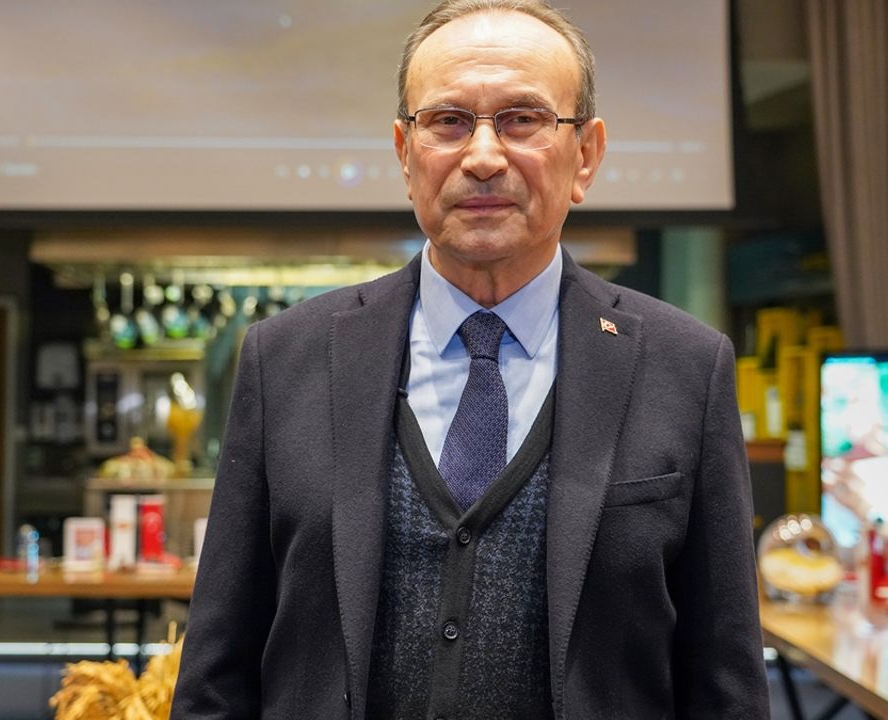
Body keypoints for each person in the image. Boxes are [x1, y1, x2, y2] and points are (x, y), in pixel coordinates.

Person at [171, 2, 769, 717]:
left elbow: (725, 684)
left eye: (523, 119)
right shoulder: (286, 360)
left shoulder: (686, 368)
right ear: (405, 153)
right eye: (449, 121)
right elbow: (217, 671)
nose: (483, 157)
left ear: (586, 155)